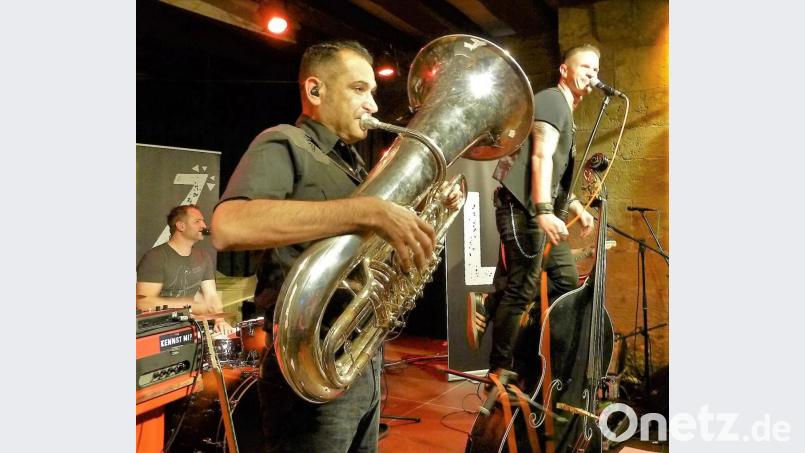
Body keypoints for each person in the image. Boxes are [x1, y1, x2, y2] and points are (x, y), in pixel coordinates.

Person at [211, 40, 459, 453]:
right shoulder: (284, 142)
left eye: (373, 93)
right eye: (359, 89)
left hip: (362, 359)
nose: (374, 106)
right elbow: (228, 226)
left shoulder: (356, 168)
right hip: (308, 356)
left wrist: (426, 216)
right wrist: (368, 212)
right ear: (314, 91)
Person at [467, 44, 600, 382]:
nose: (592, 75)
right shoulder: (553, 100)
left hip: (537, 208)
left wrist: (574, 207)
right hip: (522, 206)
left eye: (596, 70)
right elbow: (540, 157)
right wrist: (543, 210)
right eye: (584, 67)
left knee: (566, 282)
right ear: (564, 70)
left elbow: (554, 174)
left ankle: (524, 348)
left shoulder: (565, 111)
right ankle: (499, 370)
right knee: (524, 286)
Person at [136, 204, 234, 334]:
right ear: (181, 226)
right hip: (159, 331)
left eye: (203, 221)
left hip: (189, 327)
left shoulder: (203, 256)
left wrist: (219, 320)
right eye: (197, 221)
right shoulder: (155, 258)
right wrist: (189, 305)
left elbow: (211, 296)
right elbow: (143, 302)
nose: (204, 226)